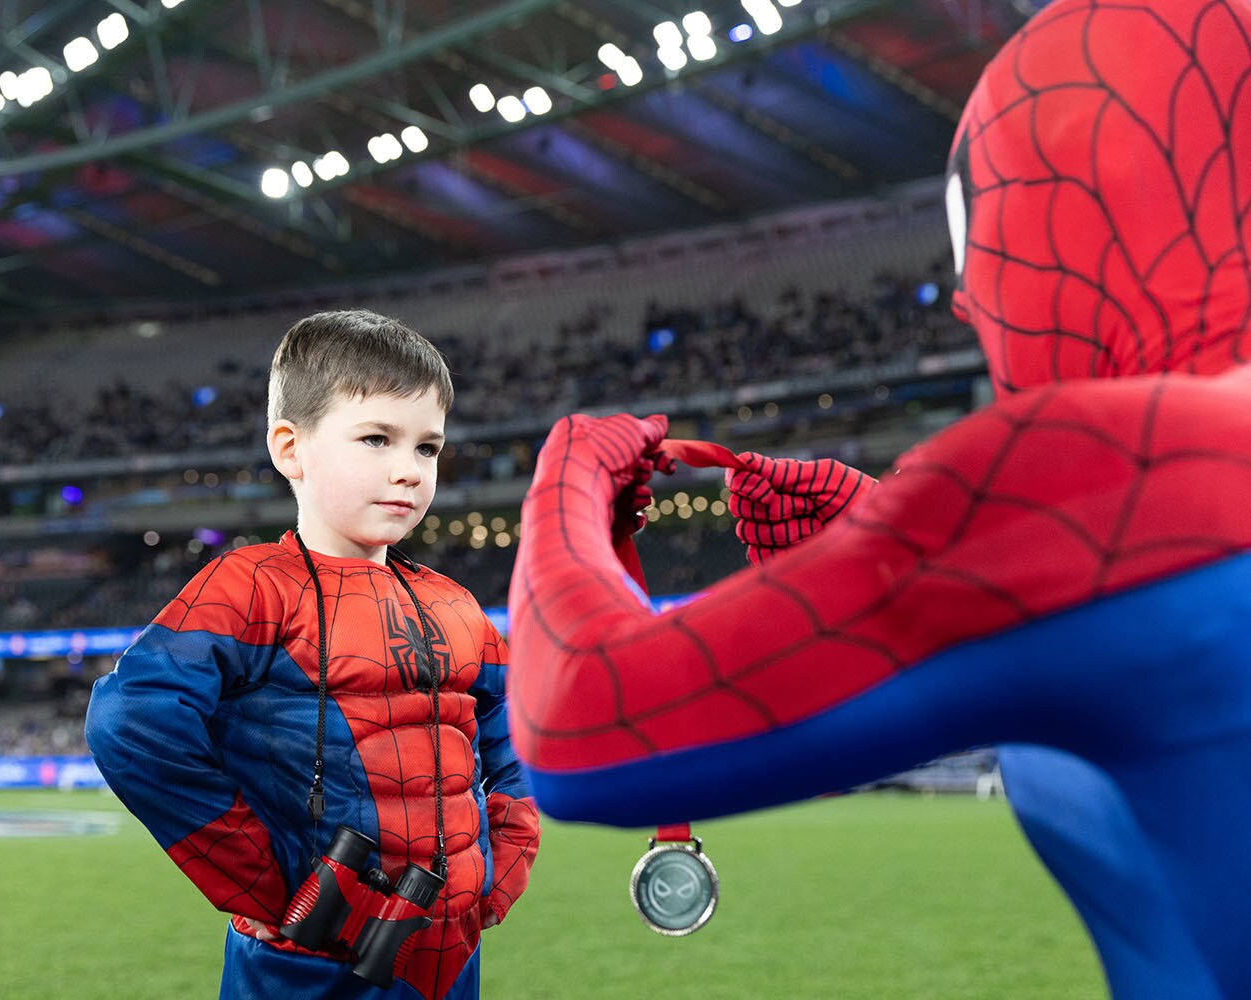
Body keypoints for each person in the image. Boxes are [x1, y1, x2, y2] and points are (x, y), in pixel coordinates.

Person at [505, 1, 1251, 997]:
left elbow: (582, 726)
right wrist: (883, 532)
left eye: (980, 237)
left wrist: (568, 481)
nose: (969, 301)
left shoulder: (1125, 468)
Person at [87, 309, 539, 1000]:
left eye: (428, 448)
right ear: (291, 449)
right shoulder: (250, 586)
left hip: (445, 957)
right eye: (376, 438)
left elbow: (517, 737)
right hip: (302, 966)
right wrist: (273, 890)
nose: (409, 470)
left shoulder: (457, 606)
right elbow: (130, 722)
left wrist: (499, 873)